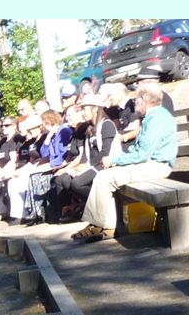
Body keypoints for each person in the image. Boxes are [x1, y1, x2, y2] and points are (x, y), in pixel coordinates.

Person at [71, 83, 177, 242]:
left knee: (105, 178)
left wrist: (115, 159)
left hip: (157, 166)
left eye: (136, 99)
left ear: (143, 99)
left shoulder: (158, 118)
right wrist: (119, 160)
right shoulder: (151, 117)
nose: (135, 103)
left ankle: (97, 224)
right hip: (148, 164)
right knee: (104, 176)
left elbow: (143, 154)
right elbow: (139, 150)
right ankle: (107, 226)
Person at [101, 82, 138, 152]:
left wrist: (116, 135)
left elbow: (134, 127)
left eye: (111, 95)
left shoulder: (131, 106)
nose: (110, 98)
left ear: (121, 92)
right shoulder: (119, 109)